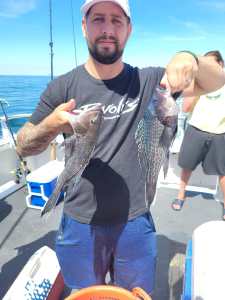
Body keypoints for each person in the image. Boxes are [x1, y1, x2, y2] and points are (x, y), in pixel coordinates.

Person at [16, 0, 225, 297]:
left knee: (136, 293)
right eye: (98, 18)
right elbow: (24, 145)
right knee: (85, 292)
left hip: (135, 220)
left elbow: (216, 81)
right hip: (79, 222)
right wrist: (49, 126)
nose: (107, 29)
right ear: (84, 26)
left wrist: (188, 58)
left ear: (129, 30)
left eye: (117, 20)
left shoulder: (150, 82)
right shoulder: (62, 86)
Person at [172, 50, 225, 220]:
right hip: (195, 130)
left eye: (211, 65)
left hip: (220, 134)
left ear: (220, 65)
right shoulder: (197, 83)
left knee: (223, 172)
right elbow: (185, 108)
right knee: (187, 166)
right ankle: (181, 194)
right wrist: (194, 86)